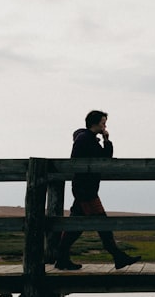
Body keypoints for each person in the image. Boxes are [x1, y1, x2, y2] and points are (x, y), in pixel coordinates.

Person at [54, 110, 141, 271]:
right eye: (103, 122)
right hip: (85, 190)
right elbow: (101, 159)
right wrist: (106, 142)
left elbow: (103, 158)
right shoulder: (85, 139)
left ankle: (61, 258)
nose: (105, 125)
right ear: (94, 123)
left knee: (78, 224)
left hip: (85, 188)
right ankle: (118, 256)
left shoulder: (89, 139)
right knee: (101, 223)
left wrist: (106, 140)